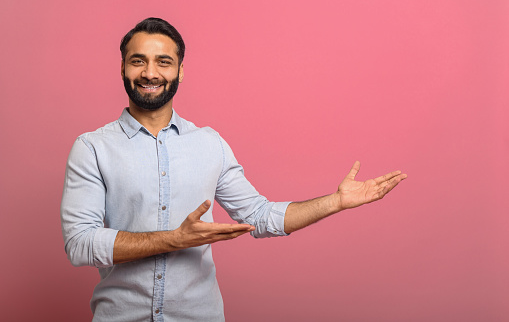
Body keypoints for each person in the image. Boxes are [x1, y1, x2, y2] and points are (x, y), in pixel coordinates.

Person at [61, 17, 407, 322]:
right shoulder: (92, 147)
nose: (150, 73)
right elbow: (80, 243)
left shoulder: (209, 144)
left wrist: (335, 202)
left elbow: (259, 215)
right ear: (123, 67)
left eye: (163, 62)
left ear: (180, 70)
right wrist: (174, 240)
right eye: (139, 61)